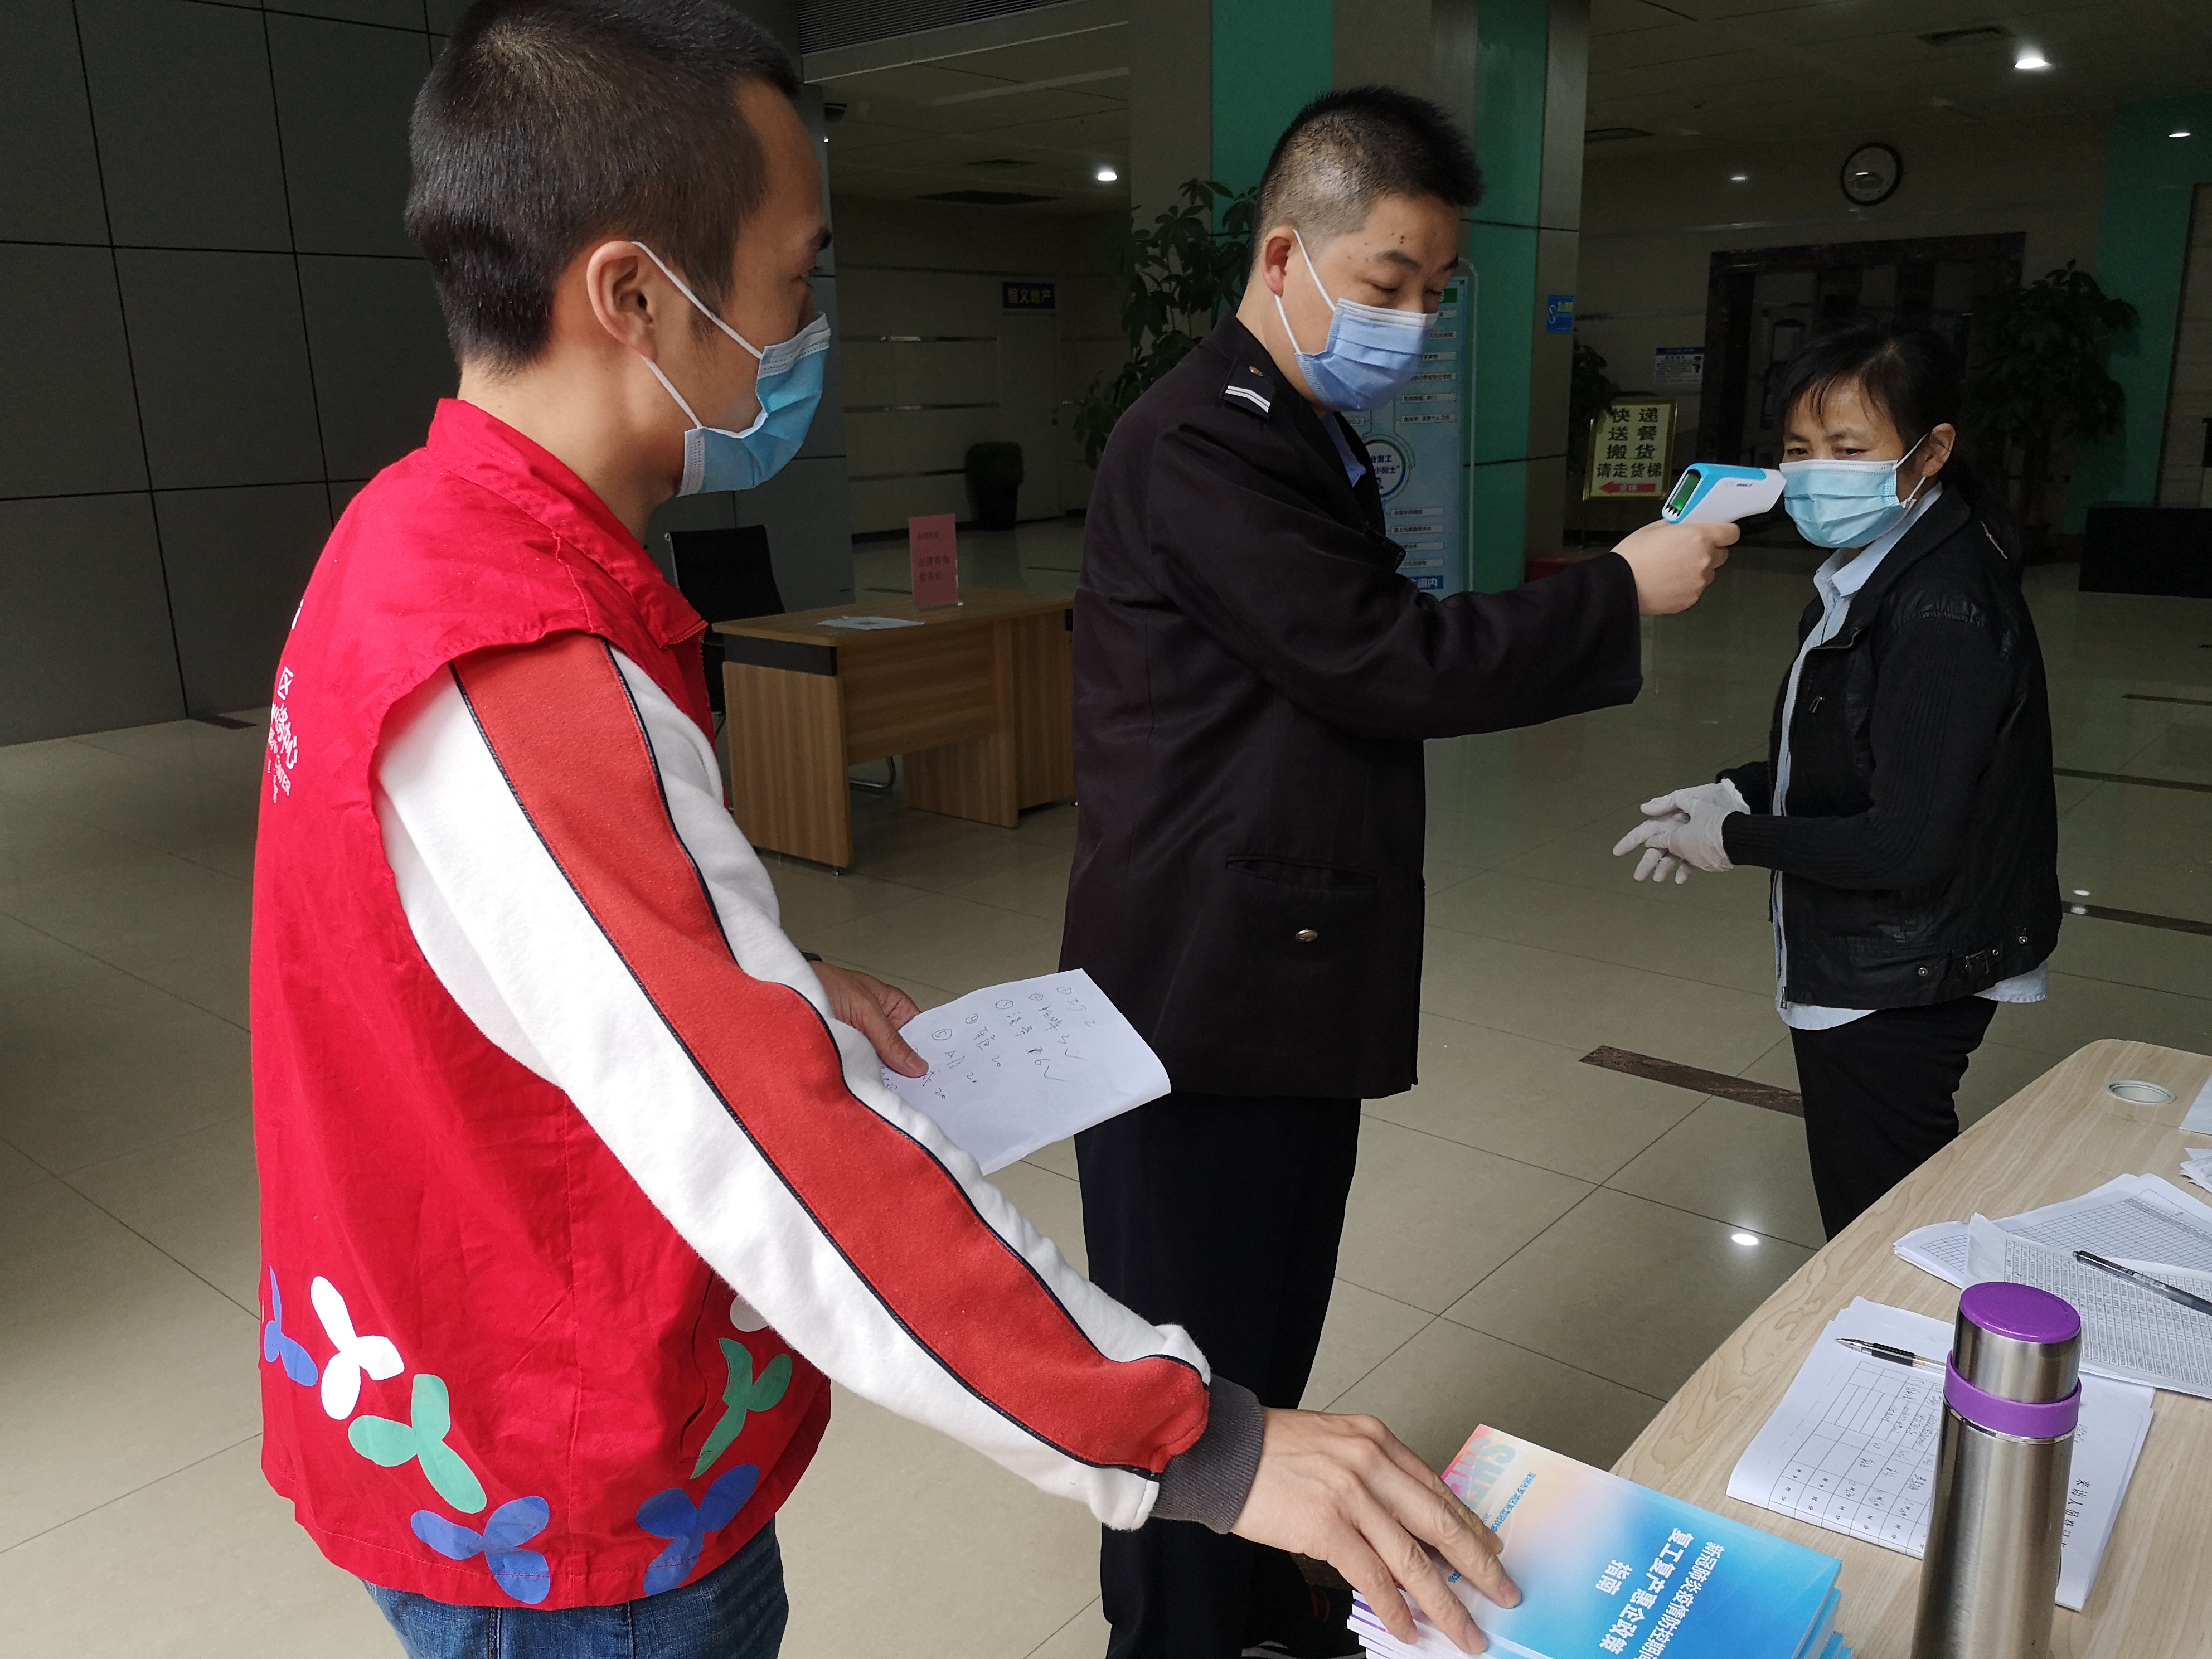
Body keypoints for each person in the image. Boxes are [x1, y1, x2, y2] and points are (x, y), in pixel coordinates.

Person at [249, 6, 1520, 1656]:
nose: (806, 329)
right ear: (634, 295)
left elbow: (484, 948)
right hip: (565, 1487)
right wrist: (1191, 1437)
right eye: (797, 277)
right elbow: (768, 1144)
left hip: (475, 1370)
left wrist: (743, 968)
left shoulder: (407, 535)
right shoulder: (519, 655)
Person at [1059, 86, 1738, 1659]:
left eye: (1436, 289)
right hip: (1196, 991)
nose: (1414, 321)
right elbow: (1381, 658)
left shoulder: (1299, 427)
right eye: (1387, 281)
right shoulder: (1197, 441)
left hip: (1284, 966)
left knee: (1268, 1320)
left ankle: (1256, 1595)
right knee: (1187, 1375)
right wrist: (1614, 591)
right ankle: (1176, 1637)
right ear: (1283, 255)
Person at [1613, 325, 2060, 1240]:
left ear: (1931, 450)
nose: (1819, 473)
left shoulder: (1940, 604)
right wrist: (1740, 789)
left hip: (1904, 967)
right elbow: (1863, 749)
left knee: (1884, 1219)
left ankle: (1906, 1329)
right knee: (1889, 1191)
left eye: (1849, 450)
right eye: (1798, 449)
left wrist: (1732, 838)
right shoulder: (1885, 565)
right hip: (1897, 950)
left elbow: (1904, 843)